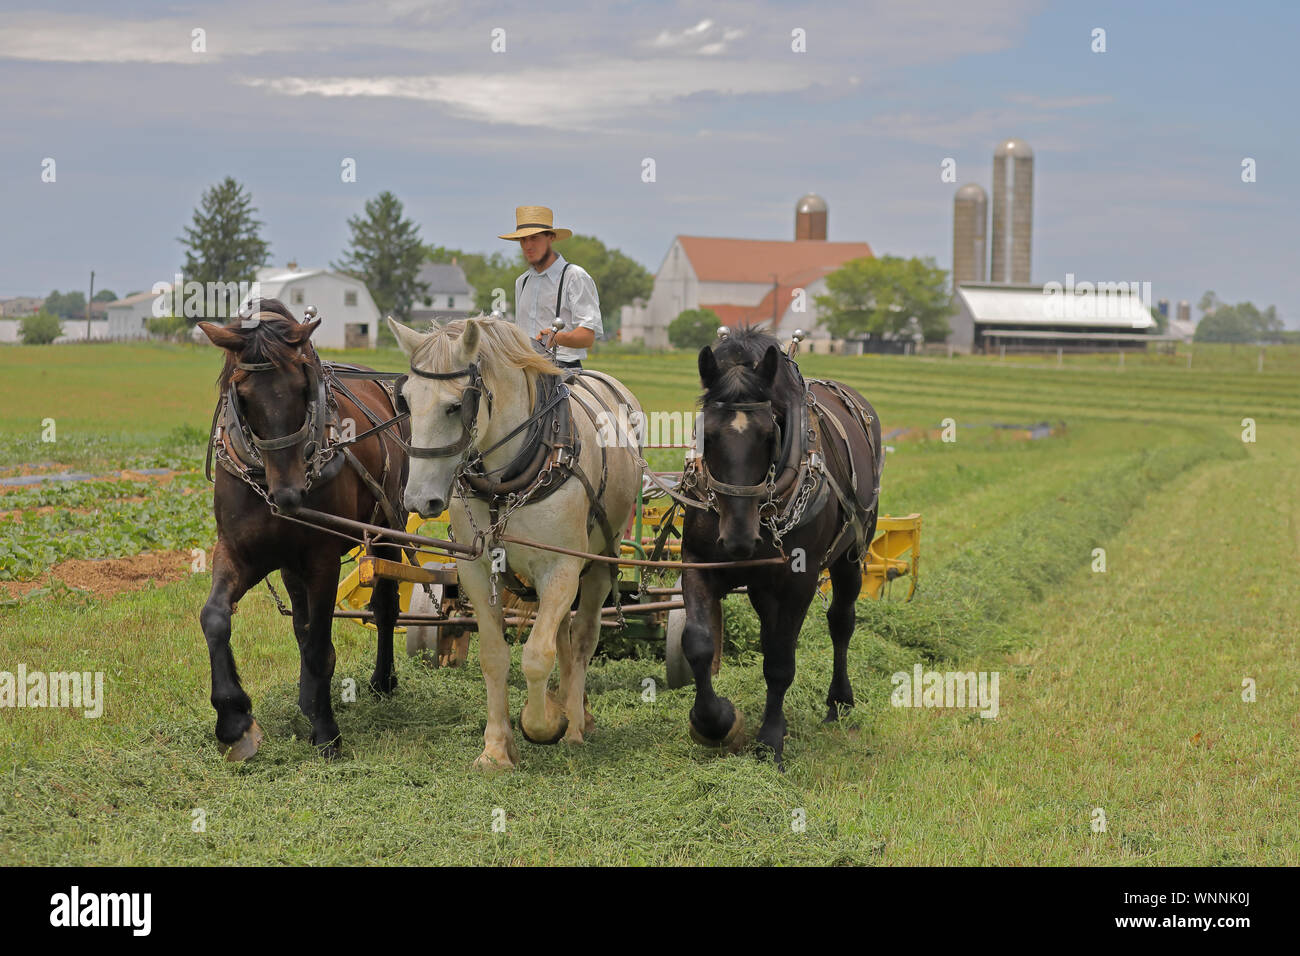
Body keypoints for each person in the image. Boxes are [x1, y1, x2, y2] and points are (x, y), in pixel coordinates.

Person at [499, 205, 601, 369]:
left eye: (534, 238)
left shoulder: (574, 276)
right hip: (526, 370)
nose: (528, 246)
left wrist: (558, 338)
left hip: (564, 370)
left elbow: (587, 336)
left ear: (551, 238)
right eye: (523, 239)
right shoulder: (522, 281)